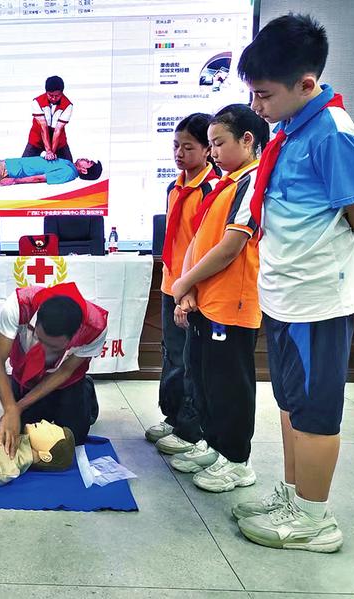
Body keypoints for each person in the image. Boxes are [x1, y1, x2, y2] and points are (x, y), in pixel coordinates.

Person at [233, 14, 354, 552]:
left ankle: (316, 522)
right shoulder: (292, 129)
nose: (257, 107)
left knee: (316, 410)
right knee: (292, 403)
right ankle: (296, 498)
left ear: (305, 84)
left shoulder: (334, 133)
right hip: (285, 291)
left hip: (318, 295)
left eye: (265, 96)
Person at [170, 104, 268, 494]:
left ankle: (237, 460)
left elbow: (230, 247)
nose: (212, 153)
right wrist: (188, 288)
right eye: (209, 145)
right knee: (205, 380)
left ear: (247, 140)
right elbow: (199, 242)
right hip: (206, 301)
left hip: (234, 304)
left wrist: (184, 283)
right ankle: (214, 445)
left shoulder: (252, 181)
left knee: (231, 385)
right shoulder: (227, 183)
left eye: (218, 143)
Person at [146, 113, 219, 455]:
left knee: (193, 359)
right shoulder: (173, 187)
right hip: (170, 286)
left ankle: (191, 430)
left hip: (196, 291)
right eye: (176, 145)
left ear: (207, 150)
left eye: (188, 147)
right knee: (172, 355)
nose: (179, 153)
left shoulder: (213, 189)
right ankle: (174, 416)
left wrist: (189, 290)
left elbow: (207, 246)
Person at [0, 282, 108, 456]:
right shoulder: (19, 306)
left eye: (54, 347)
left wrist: (19, 405)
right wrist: (11, 408)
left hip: (66, 378)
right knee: (24, 436)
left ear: (74, 336)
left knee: (72, 439)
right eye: (40, 339)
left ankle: (86, 389)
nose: (45, 352)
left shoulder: (95, 327)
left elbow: (65, 371)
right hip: (26, 375)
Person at [22, 75, 74, 162]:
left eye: (57, 96)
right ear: (46, 92)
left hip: (58, 142)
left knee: (69, 165)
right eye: (50, 95)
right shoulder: (37, 102)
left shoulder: (68, 105)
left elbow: (58, 130)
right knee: (23, 164)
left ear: (62, 92)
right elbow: (43, 127)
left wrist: (51, 152)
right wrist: (48, 151)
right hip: (37, 139)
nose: (54, 98)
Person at [0, 156, 102, 186]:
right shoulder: (69, 165)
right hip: (8, 163)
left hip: (8, 170)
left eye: (89, 162)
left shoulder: (68, 173)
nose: (87, 159)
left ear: (84, 171)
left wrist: (14, 180)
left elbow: (39, 179)